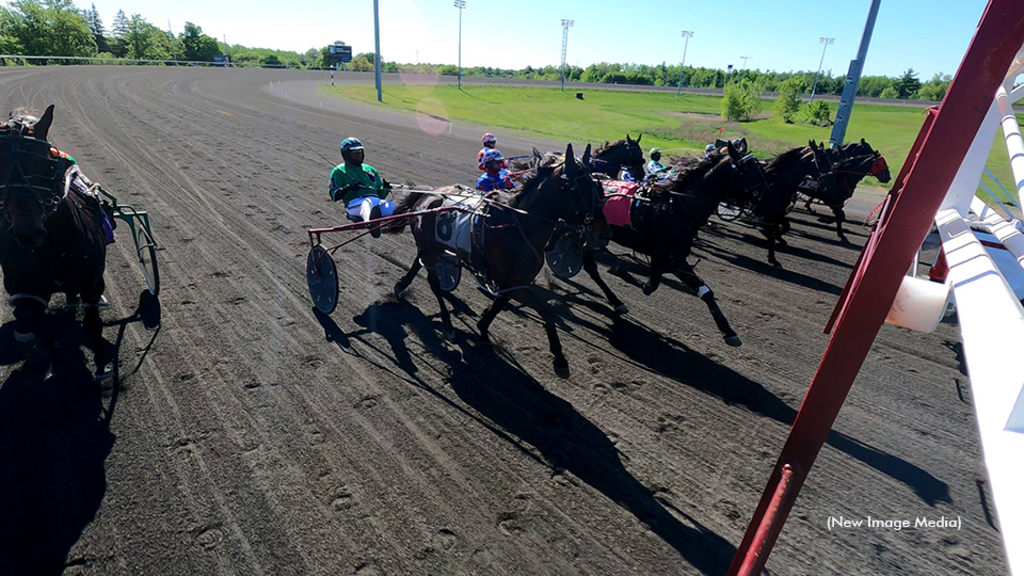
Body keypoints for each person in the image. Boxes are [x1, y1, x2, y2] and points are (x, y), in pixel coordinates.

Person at [329, 137, 394, 238]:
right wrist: (348, 188)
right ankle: (371, 224)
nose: (358, 156)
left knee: (397, 208)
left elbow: (380, 196)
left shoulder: (370, 170)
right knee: (367, 203)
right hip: (355, 204)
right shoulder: (338, 171)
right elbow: (334, 195)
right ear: (346, 154)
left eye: (359, 152)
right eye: (354, 153)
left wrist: (385, 188)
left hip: (376, 202)